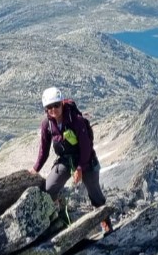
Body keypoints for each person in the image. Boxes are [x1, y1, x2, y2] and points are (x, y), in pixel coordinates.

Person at [32, 86, 111, 232]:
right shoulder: (47, 124)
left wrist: (80, 168)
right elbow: (44, 150)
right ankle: (59, 216)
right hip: (66, 160)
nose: (53, 110)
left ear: (62, 103)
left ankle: (106, 225)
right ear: (45, 109)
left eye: (56, 105)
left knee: (95, 195)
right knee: (49, 189)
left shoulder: (77, 120)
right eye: (49, 107)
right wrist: (35, 168)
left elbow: (86, 147)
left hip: (86, 160)